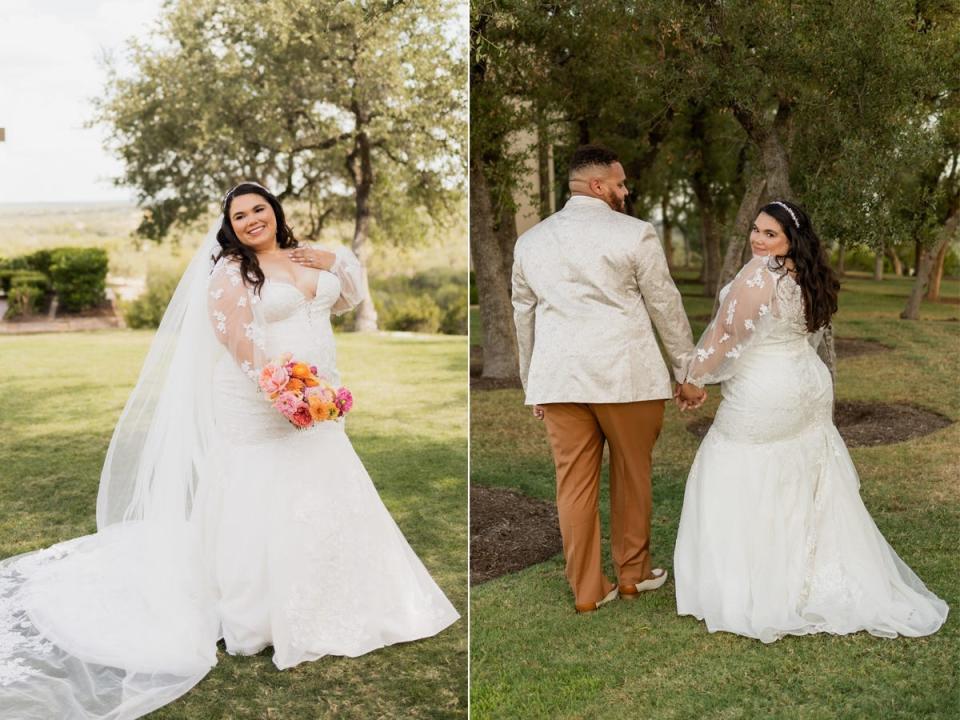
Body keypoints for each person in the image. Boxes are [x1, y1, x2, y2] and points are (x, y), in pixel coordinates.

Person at [0, 182, 459, 718]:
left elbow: (352, 296)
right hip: (260, 396)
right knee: (259, 488)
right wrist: (282, 389)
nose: (251, 220)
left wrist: (338, 259)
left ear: (275, 210)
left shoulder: (306, 253)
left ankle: (344, 594)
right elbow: (235, 337)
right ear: (230, 226)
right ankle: (259, 611)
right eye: (239, 215)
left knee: (327, 479)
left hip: (322, 394)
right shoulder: (229, 272)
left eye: (258, 209)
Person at [673, 199, 948, 642]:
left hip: (768, 392)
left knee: (737, 467)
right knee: (798, 473)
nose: (758, 240)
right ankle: (814, 571)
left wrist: (693, 379)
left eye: (770, 234)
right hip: (808, 386)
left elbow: (727, 338)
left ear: (789, 240)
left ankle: (756, 583)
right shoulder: (809, 275)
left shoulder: (760, 275)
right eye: (757, 230)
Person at [512, 145, 701, 614]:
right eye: (620, 184)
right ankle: (633, 575)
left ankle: (588, 590)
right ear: (597, 186)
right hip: (626, 377)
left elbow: (523, 316)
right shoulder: (635, 234)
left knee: (572, 487)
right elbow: (664, 304)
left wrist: (531, 383)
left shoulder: (530, 240)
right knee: (633, 477)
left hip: (559, 381)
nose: (625, 190)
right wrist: (687, 371)